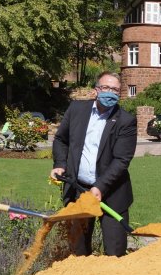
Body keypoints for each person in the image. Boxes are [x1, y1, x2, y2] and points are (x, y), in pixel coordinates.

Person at [51, 71, 137, 257]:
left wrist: (100, 186)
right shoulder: (76, 110)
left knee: (114, 253)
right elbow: (60, 139)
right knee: (78, 251)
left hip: (112, 194)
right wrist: (60, 163)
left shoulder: (126, 121)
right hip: (79, 190)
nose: (110, 93)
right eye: (106, 88)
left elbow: (122, 160)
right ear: (96, 90)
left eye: (115, 90)